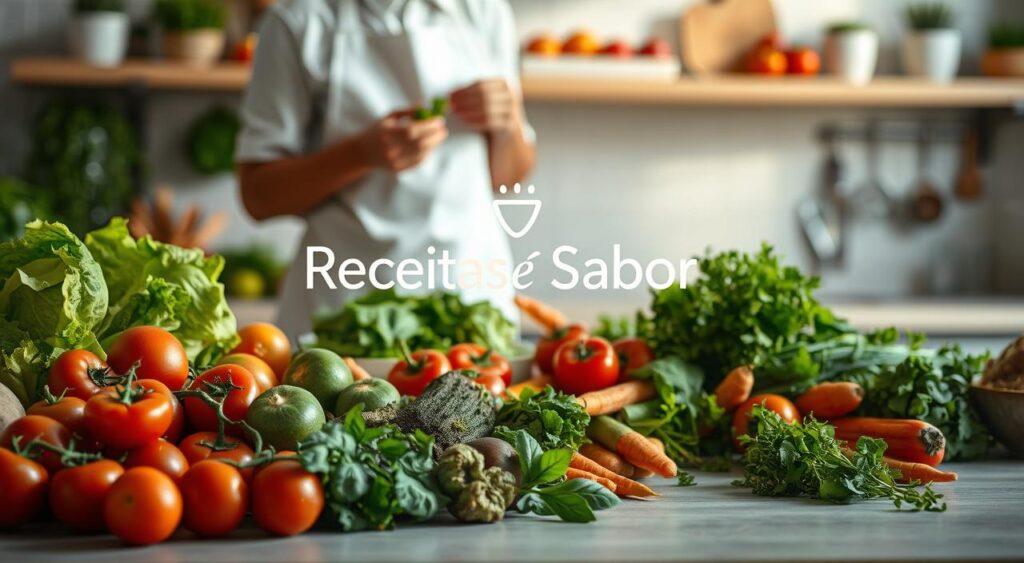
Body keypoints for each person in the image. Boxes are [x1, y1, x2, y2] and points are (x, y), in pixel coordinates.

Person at [236, 0, 535, 338]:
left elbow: (508, 177)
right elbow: (258, 195)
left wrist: (508, 124)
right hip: (347, 315)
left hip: (469, 301)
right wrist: (360, 154)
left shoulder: (485, 12)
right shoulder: (297, 22)